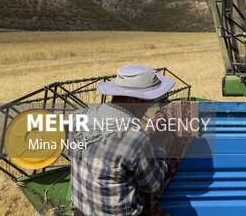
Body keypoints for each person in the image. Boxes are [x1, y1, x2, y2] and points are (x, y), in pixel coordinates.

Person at [69, 64, 175, 216]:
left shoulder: (80, 117)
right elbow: (152, 186)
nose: (151, 105)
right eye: (150, 100)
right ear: (134, 100)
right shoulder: (135, 139)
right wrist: (160, 147)